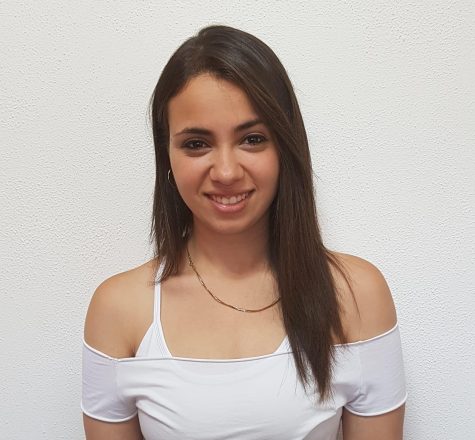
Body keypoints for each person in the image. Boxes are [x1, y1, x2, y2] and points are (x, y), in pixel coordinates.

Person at [81, 25, 407, 439]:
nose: (226, 172)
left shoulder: (357, 295)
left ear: (285, 147)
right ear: (167, 155)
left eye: (252, 139)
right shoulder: (119, 310)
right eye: (196, 144)